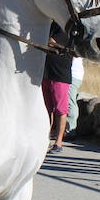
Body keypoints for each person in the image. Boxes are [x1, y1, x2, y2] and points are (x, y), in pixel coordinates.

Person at [42, 22, 73, 154]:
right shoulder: (50, 25)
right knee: (46, 108)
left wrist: (47, 41)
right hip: (46, 71)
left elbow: (50, 41)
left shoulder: (69, 29)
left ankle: (58, 142)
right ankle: (44, 138)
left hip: (61, 73)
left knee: (60, 109)